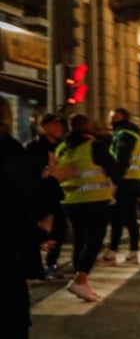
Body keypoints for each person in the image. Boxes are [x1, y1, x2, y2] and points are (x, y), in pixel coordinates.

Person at [2, 98, 47, 339]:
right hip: (7, 249)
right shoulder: (8, 150)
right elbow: (20, 199)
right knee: (13, 317)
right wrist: (53, 182)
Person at [56, 113, 117, 303]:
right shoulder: (94, 146)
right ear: (88, 126)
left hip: (70, 201)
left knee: (80, 240)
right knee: (94, 242)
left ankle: (80, 280)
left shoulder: (62, 148)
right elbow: (114, 169)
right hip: (94, 200)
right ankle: (80, 280)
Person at [22, 113, 67, 281]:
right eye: (54, 125)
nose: (58, 128)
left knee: (59, 228)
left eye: (60, 125)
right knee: (37, 228)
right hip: (39, 193)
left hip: (57, 193)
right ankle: (35, 266)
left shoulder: (63, 146)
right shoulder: (33, 147)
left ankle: (52, 262)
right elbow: (27, 171)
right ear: (44, 127)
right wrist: (43, 173)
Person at [102, 107, 140, 265]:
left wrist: (114, 182)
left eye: (115, 116)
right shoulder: (133, 133)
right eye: (111, 116)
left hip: (125, 181)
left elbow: (122, 161)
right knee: (129, 218)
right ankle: (133, 252)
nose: (111, 119)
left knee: (117, 217)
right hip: (135, 180)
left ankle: (111, 253)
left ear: (123, 117)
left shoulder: (124, 135)